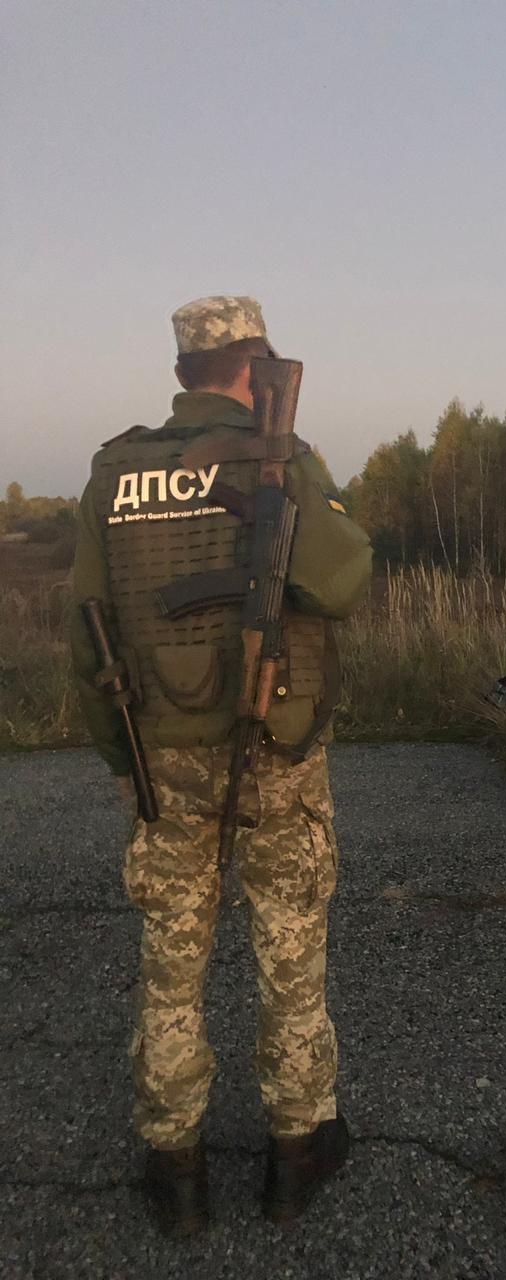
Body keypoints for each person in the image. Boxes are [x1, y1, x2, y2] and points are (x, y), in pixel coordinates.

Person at [70, 296, 373, 1234]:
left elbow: (86, 636)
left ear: (181, 377)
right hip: (275, 752)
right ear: (261, 366)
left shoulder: (115, 473)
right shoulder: (284, 457)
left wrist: (123, 760)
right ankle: (295, 1152)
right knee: (291, 952)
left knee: (171, 961)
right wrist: (290, 471)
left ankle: (177, 1169)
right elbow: (344, 579)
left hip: (161, 753)